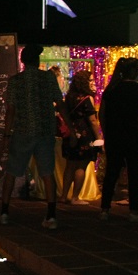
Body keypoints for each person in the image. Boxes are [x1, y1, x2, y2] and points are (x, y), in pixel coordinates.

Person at [0, 44, 75, 230]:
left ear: (23, 61)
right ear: (37, 60)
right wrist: (71, 129)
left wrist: (7, 134)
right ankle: (51, 214)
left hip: (22, 131)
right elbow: (60, 104)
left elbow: (11, 110)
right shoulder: (48, 78)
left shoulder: (16, 81)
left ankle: (4, 211)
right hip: (45, 131)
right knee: (47, 172)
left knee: (12, 171)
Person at [99, 57, 138, 222]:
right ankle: (134, 211)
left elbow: (102, 114)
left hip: (114, 135)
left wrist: (106, 133)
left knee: (112, 172)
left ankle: (105, 209)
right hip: (133, 135)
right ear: (135, 71)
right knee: (134, 173)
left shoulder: (112, 89)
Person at [59, 70, 103, 204]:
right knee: (81, 166)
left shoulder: (69, 97)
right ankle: (75, 197)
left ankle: (63, 195)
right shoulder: (87, 98)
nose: (93, 82)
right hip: (84, 135)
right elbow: (93, 121)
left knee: (70, 165)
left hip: (71, 133)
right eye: (90, 80)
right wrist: (99, 138)